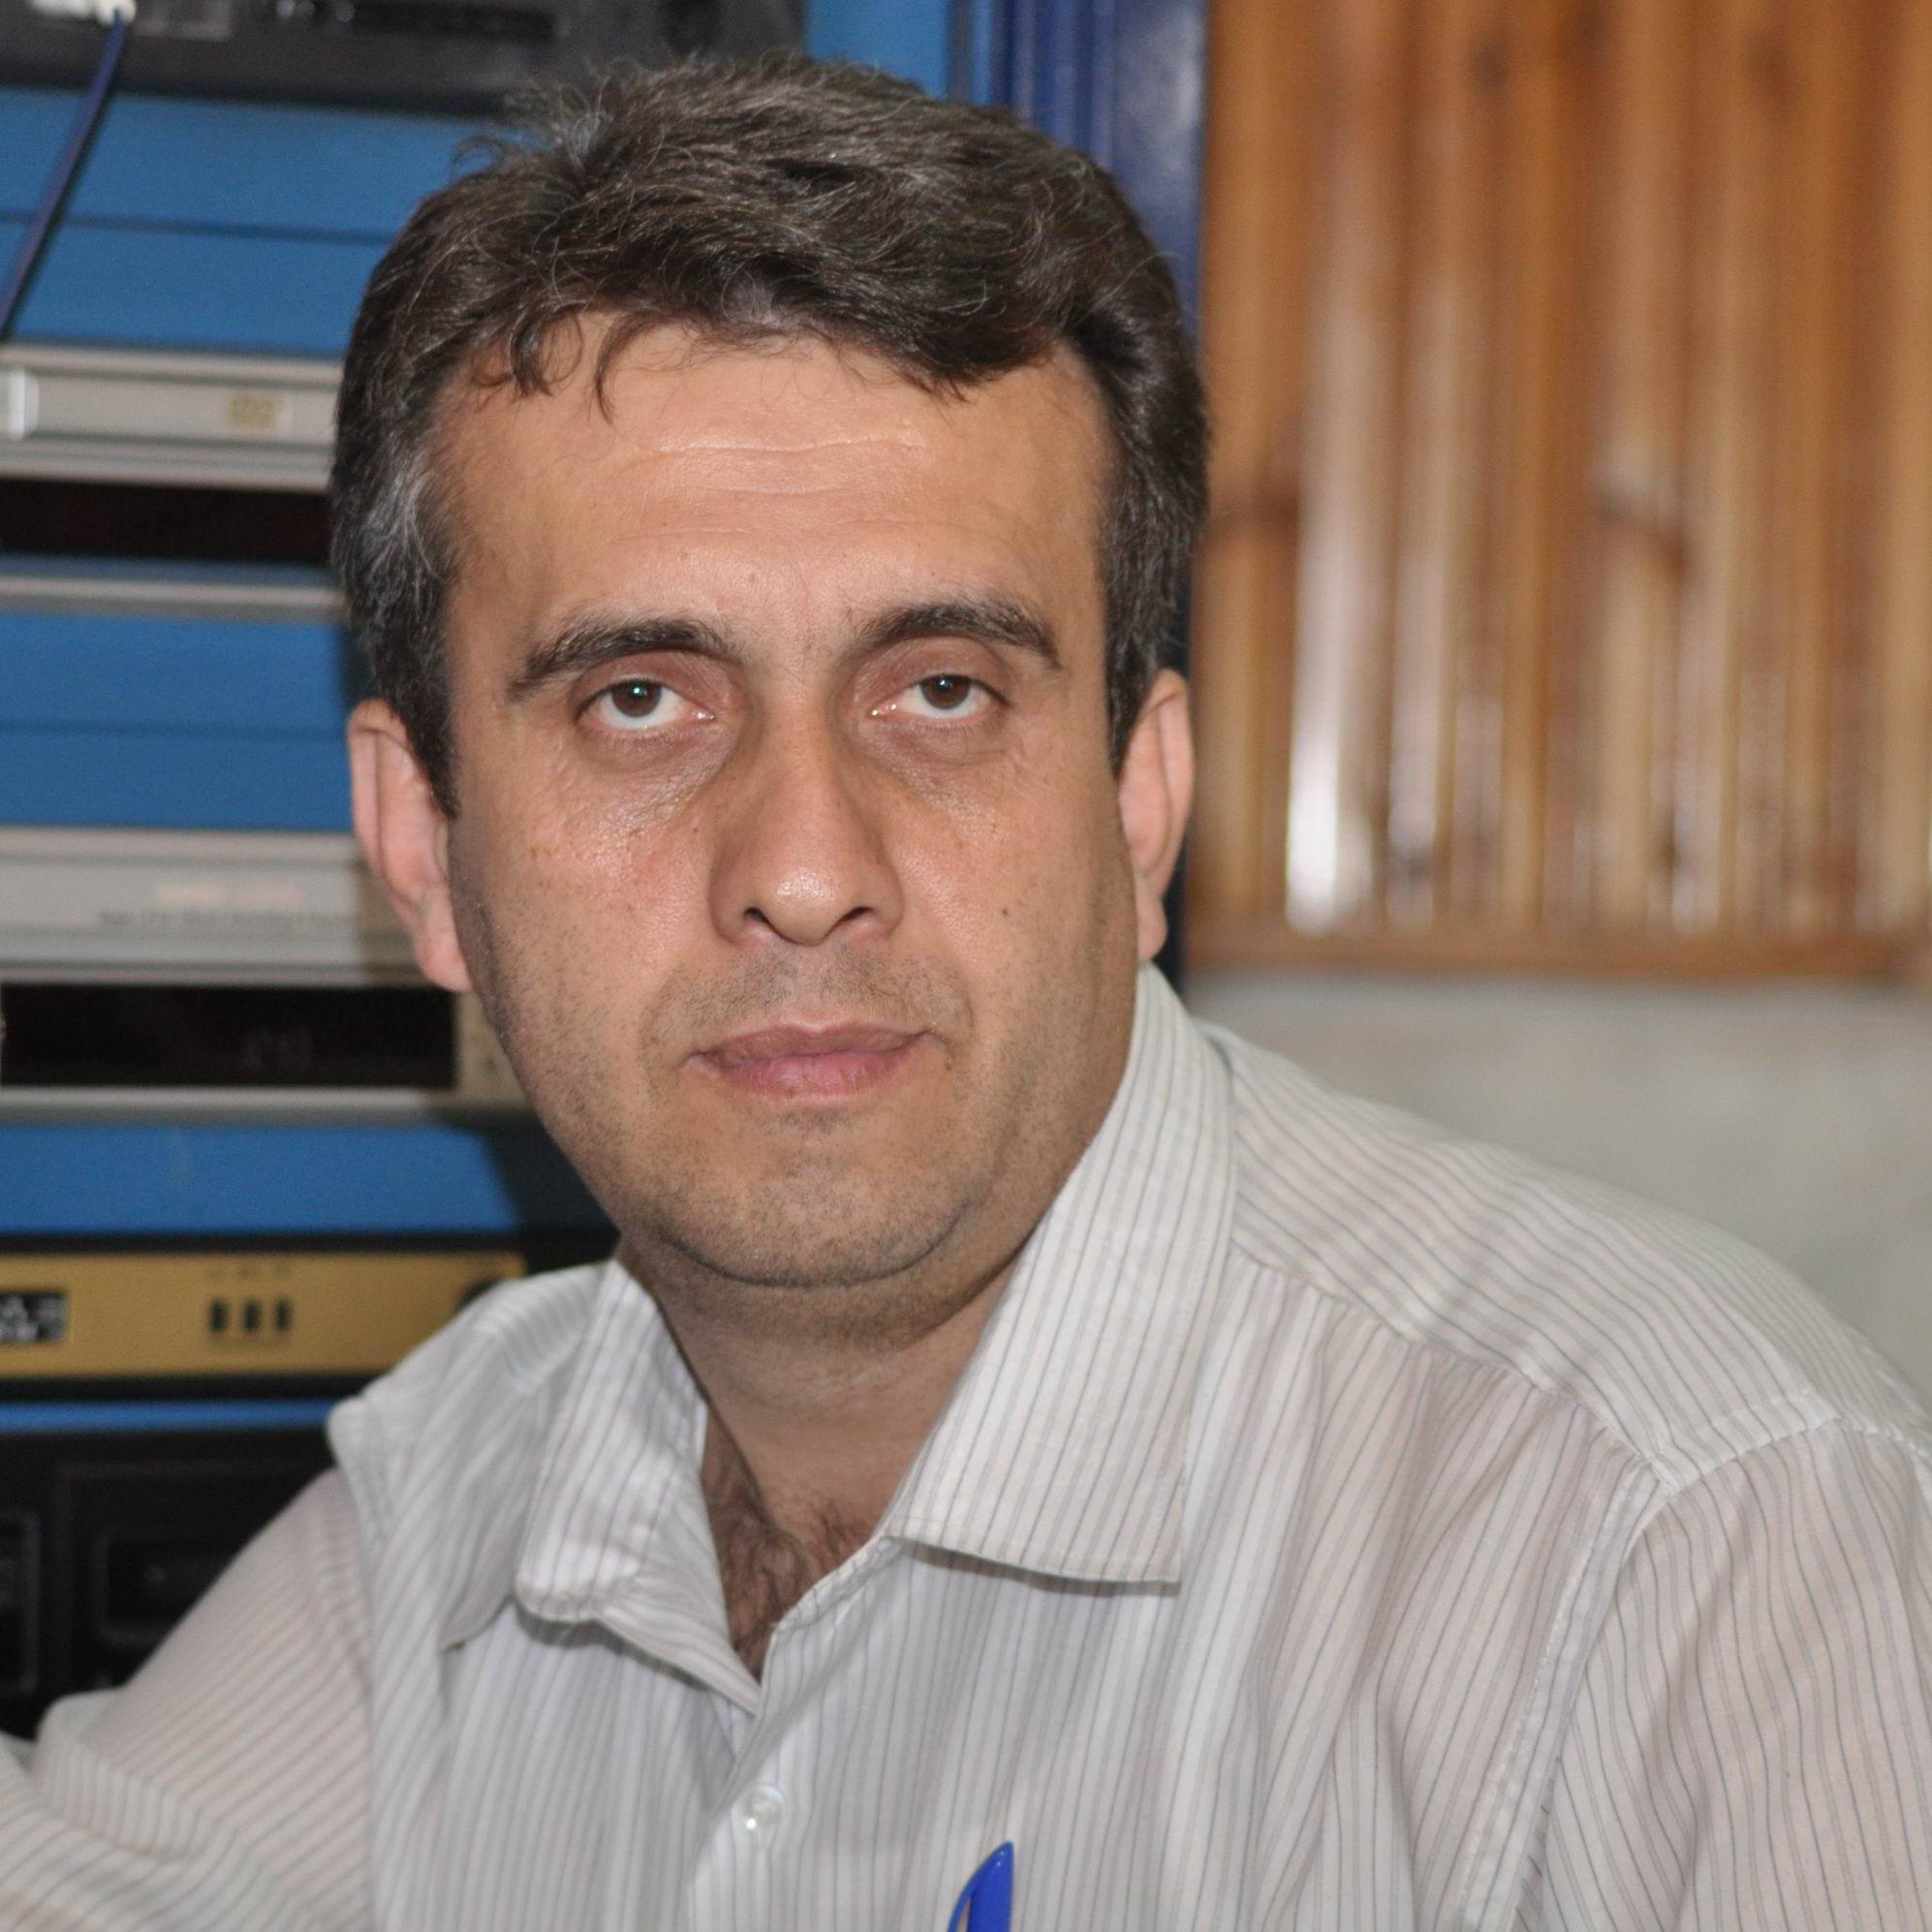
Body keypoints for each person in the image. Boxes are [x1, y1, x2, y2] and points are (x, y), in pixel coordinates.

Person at [3, 52, 1929, 1931]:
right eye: (640, 699)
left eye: (941, 690)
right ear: (425, 847)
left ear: (1139, 800)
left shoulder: (1680, 1539)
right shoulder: (453, 1497)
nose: (803, 867)